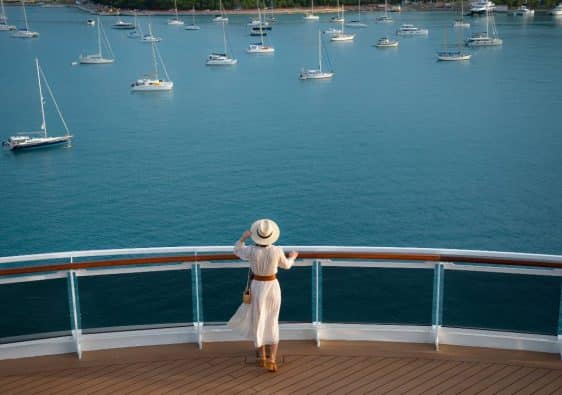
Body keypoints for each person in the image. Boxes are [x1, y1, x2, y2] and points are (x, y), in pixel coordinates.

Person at [230, 219, 298, 373]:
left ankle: (261, 357)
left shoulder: (251, 251)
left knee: (258, 320)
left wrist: (243, 238)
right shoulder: (277, 250)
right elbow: (286, 266)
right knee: (272, 321)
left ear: (257, 235)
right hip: (272, 288)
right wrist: (292, 257)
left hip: (257, 287)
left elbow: (236, 250)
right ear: (271, 236)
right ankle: (272, 360)